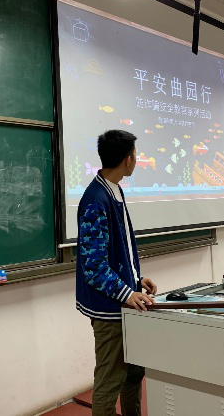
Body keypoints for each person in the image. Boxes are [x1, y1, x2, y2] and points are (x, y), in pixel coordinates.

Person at [75, 129, 158, 416]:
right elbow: (93, 266)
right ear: (127, 159)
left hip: (123, 302)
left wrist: (136, 280)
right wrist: (126, 293)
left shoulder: (114, 190)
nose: (136, 160)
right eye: (135, 155)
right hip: (108, 308)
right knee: (110, 380)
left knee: (133, 373)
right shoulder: (95, 200)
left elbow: (118, 250)